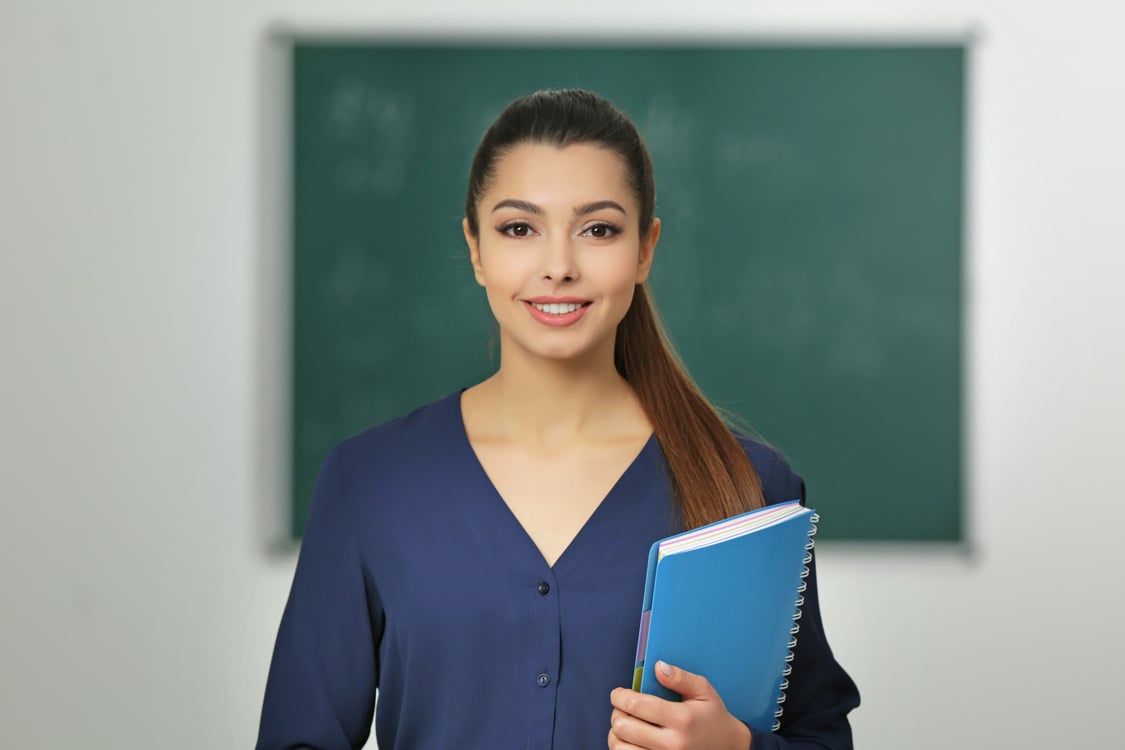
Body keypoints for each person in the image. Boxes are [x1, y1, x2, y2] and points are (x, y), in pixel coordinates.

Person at [256, 88, 859, 750]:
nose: (558, 267)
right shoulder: (369, 482)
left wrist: (736, 748)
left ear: (644, 249)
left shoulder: (749, 485)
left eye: (598, 229)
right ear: (475, 248)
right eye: (518, 229)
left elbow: (819, 736)